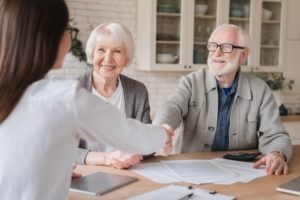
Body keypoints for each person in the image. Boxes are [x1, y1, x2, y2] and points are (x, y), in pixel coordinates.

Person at [0, 0, 173, 199]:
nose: (69, 37)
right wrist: (163, 134)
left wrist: (55, 170)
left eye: (117, 51)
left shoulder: (14, 93)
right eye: (68, 29)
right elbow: (130, 134)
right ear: (48, 37)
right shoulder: (65, 98)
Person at [153, 24, 292, 176]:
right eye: (213, 46)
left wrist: (278, 154)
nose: (217, 53)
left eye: (226, 47)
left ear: (243, 55)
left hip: (243, 171)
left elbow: (275, 135)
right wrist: (160, 129)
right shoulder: (191, 82)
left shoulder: (260, 89)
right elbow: (172, 107)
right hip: (193, 169)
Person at [76, 22, 156, 169]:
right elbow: (60, 149)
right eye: (101, 50)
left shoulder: (138, 91)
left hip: (128, 171)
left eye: (117, 51)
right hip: (85, 172)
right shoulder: (73, 91)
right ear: (92, 54)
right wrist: (106, 159)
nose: (108, 59)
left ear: (126, 57)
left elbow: (148, 142)